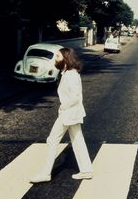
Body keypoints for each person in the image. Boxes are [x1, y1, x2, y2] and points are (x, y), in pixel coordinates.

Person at [30, 47, 93, 183]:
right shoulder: (67, 73)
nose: (55, 60)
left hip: (68, 114)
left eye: (57, 57)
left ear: (65, 58)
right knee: (77, 140)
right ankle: (86, 170)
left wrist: (63, 107)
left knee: (52, 140)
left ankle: (46, 173)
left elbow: (75, 97)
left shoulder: (71, 75)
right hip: (71, 113)